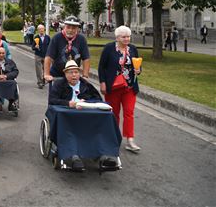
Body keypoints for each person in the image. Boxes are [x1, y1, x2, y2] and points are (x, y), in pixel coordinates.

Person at [49, 60, 109, 171]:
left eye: (76, 72)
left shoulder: (86, 84)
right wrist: (68, 103)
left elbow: (98, 99)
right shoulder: (59, 84)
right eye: (71, 72)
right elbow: (52, 100)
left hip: (85, 115)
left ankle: (102, 154)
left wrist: (86, 102)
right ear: (65, 74)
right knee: (69, 128)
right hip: (68, 116)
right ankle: (74, 156)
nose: (74, 75)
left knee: (100, 123)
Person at [98, 25, 142, 153]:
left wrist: (138, 70)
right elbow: (102, 67)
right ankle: (114, 138)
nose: (127, 39)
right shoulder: (109, 48)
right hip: (114, 87)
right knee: (114, 114)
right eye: (124, 37)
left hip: (129, 87)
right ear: (117, 37)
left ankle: (130, 140)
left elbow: (137, 66)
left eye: (128, 36)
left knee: (129, 113)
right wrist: (102, 83)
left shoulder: (133, 49)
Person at [44, 16, 90, 85]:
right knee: (55, 94)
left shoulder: (81, 39)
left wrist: (85, 75)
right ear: (64, 27)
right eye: (68, 27)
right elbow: (48, 57)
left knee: (75, 95)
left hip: (73, 75)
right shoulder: (57, 38)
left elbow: (86, 58)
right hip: (57, 74)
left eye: (73, 28)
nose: (70, 30)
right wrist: (46, 74)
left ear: (77, 28)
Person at [0, 47, 19, 112]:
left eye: (3, 53)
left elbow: (15, 71)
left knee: (13, 83)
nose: (1, 55)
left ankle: (11, 103)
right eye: (0, 53)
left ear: (5, 54)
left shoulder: (10, 62)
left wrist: (6, 76)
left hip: (7, 80)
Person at [32, 24, 51, 88]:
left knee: (45, 69)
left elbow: (50, 46)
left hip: (46, 55)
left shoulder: (47, 37)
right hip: (38, 55)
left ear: (44, 29)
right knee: (39, 69)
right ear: (38, 30)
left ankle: (43, 80)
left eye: (42, 29)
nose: (41, 30)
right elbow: (32, 47)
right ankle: (39, 82)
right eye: (39, 29)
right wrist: (35, 47)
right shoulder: (36, 37)